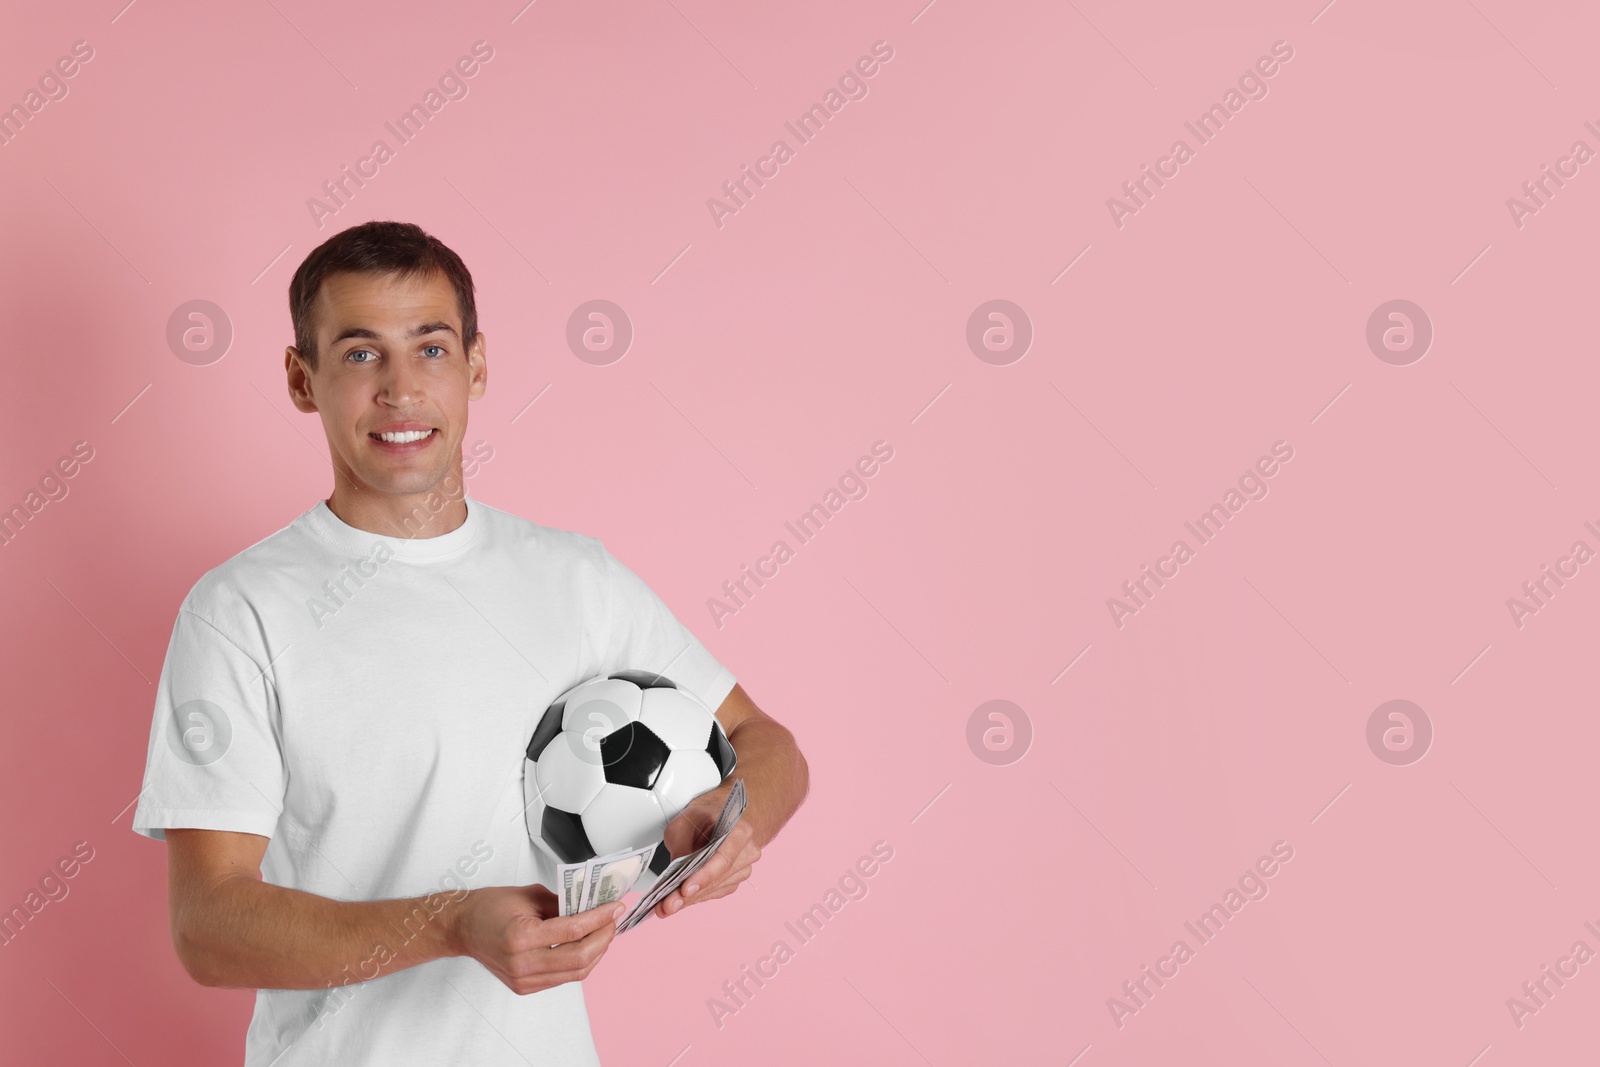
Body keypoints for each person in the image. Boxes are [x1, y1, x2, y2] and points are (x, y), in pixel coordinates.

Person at [131, 220, 809, 1066]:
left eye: (432, 349)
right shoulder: (240, 610)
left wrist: (737, 821)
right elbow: (209, 926)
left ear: (478, 364)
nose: (401, 389)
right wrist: (449, 923)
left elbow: (768, 743)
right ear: (302, 379)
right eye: (360, 354)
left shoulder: (575, 578)